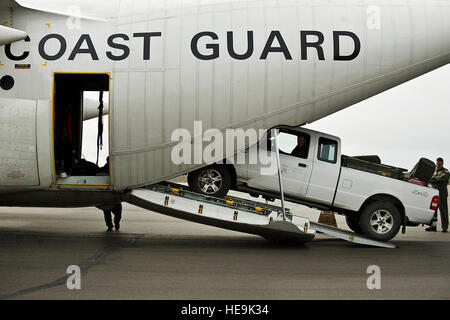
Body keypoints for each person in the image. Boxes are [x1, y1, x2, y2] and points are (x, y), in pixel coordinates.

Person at [426, 157, 449, 232]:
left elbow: (441, 178)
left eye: (439, 164)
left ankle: (445, 226)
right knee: (433, 210)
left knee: (443, 210)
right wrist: (434, 179)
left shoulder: (445, 171)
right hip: (434, 193)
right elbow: (431, 178)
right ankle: (433, 226)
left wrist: (433, 179)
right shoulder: (434, 171)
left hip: (442, 193)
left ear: (442, 163)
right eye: (437, 164)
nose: (438, 165)